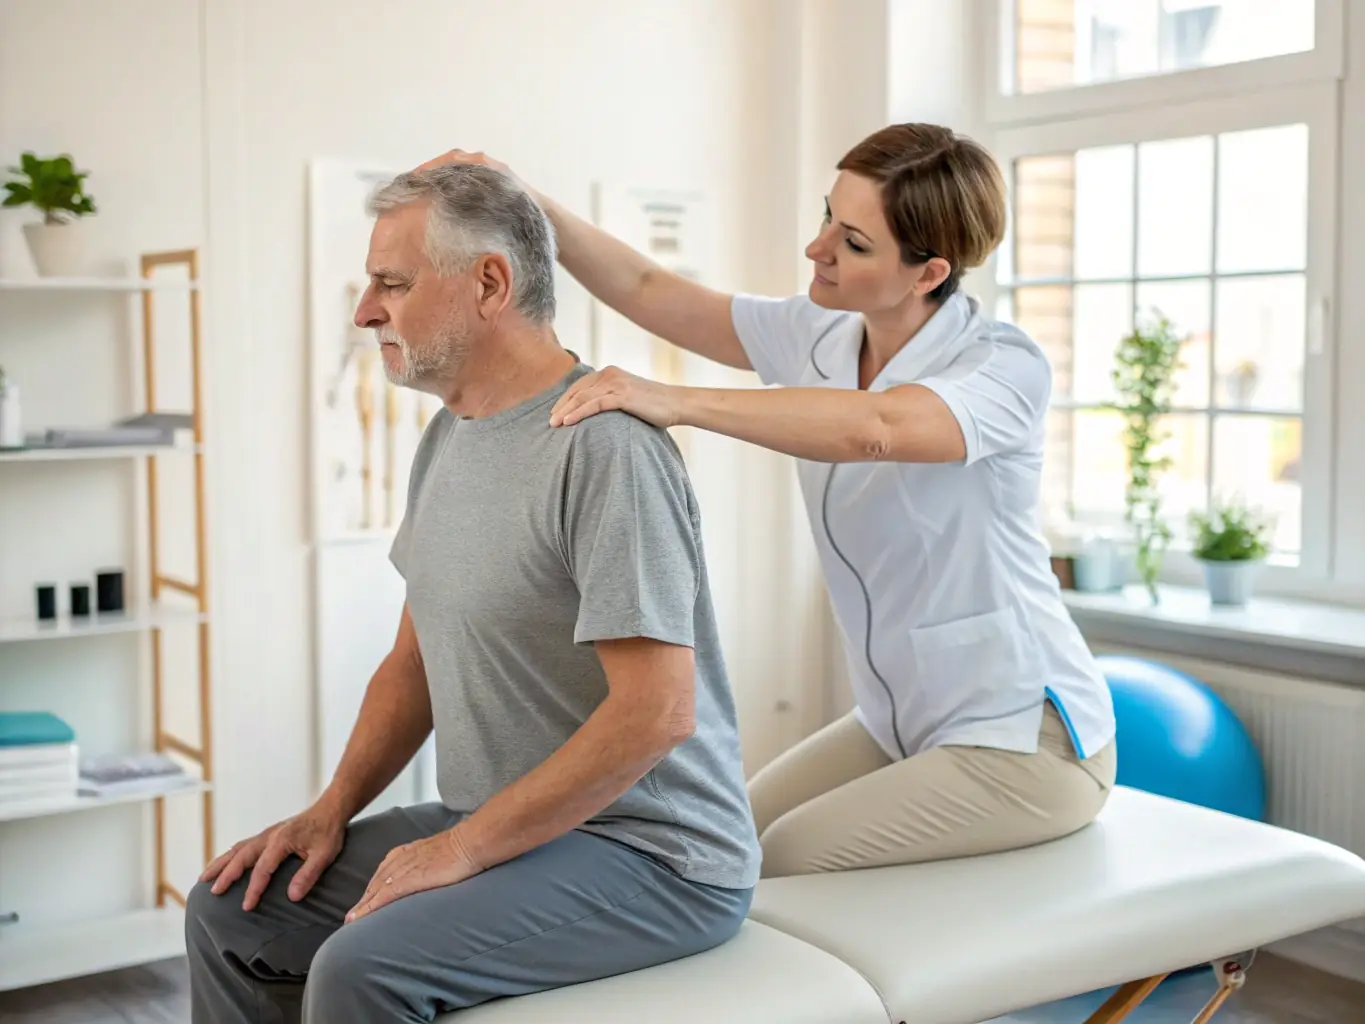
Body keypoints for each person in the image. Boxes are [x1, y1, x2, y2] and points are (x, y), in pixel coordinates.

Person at [421, 123, 1117, 880]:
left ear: (928, 273)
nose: (817, 249)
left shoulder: (1001, 366)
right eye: (828, 216)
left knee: (780, 860)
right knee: (721, 841)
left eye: (853, 243)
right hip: (900, 723)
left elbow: (878, 428)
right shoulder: (819, 334)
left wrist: (676, 401)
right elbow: (652, 291)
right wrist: (526, 201)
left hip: (1024, 735)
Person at [183, 163, 761, 1023]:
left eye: (392, 284)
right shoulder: (449, 436)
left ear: (489, 283)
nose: (364, 311)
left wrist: (459, 849)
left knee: (362, 968)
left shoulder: (605, 449)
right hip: (504, 822)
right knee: (232, 908)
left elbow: (657, 714)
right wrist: (330, 809)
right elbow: (412, 664)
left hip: (653, 854)